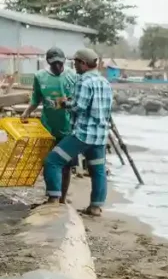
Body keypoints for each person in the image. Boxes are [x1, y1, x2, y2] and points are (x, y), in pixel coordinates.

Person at [41, 48, 113, 216]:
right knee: (98, 170)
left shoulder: (84, 81)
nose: (74, 66)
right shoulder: (105, 82)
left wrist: (63, 103)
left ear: (83, 63)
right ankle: (95, 207)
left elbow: (78, 107)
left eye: (75, 63)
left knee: (52, 161)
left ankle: (53, 200)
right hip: (100, 135)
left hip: (83, 134)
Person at [22, 47, 78, 203]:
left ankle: (62, 199)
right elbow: (36, 99)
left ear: (65, 61)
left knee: (66, 165)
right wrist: (27, 112)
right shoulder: (40, 77)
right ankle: (52, 196)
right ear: (48, 62)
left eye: (60, 63)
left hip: (68, 129)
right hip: (48, 128)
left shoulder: (73, 76)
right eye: (54, 63)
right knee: (48, 163)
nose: (58, 66)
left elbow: (79, 101)